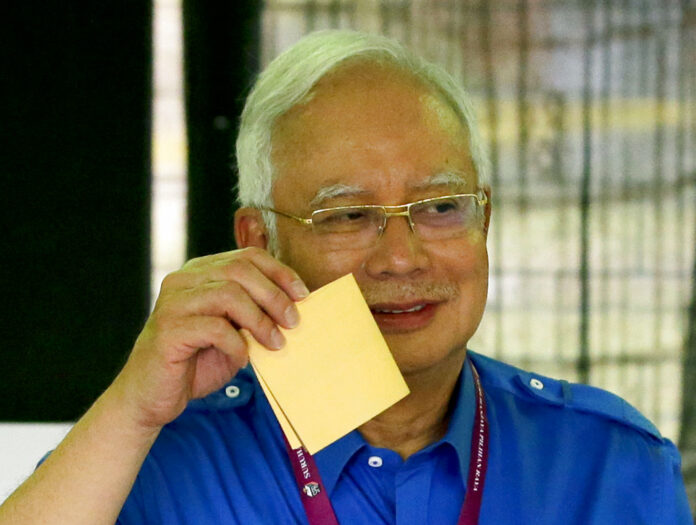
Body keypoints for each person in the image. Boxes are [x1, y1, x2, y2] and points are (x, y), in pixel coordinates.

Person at [0, 30, 691, 524]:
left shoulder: (606, 461)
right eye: (348, 215)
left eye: (442, 206)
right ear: (257, 240)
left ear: (486, 219)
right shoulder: (167, 455)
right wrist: (134, 406)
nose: (401, 257)